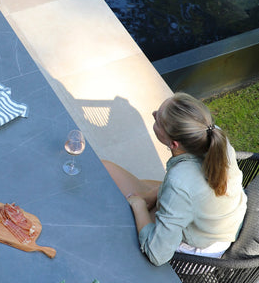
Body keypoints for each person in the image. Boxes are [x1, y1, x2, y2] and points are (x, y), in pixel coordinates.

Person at [103, 92, 247, 266]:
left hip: (199, 253)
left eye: (158, 121)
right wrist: (152, 195)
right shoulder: (213, 135)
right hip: (215, 222)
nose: (153, 114)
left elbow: (157, 254)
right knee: (134, 187)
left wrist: (138, 204)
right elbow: (192, 191)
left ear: (174, 145)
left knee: (110, 182)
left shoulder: (180, 181)